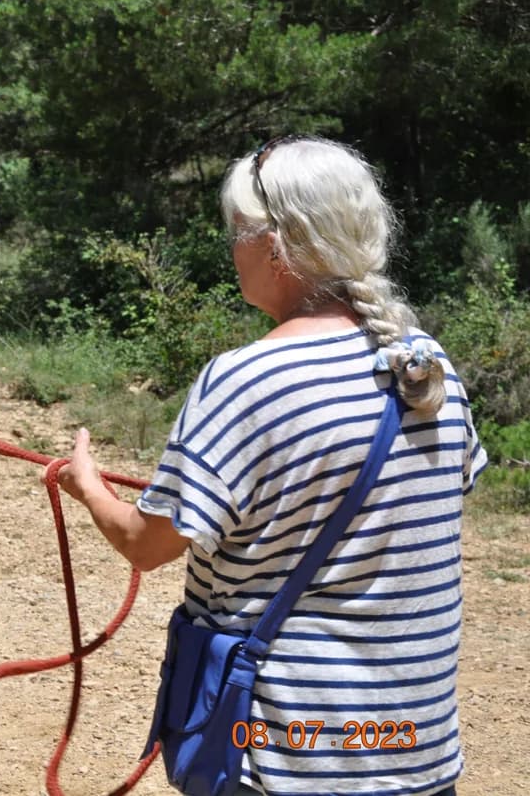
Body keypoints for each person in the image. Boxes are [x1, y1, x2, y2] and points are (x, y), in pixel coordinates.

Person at [56, 136, 486, 796]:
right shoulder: (427, 368)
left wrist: (87, 485)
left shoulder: (245, 381)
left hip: (287, 764)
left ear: (276, 245)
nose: (231, 248)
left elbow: (147, 544)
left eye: (237, 231)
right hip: (417, 757)